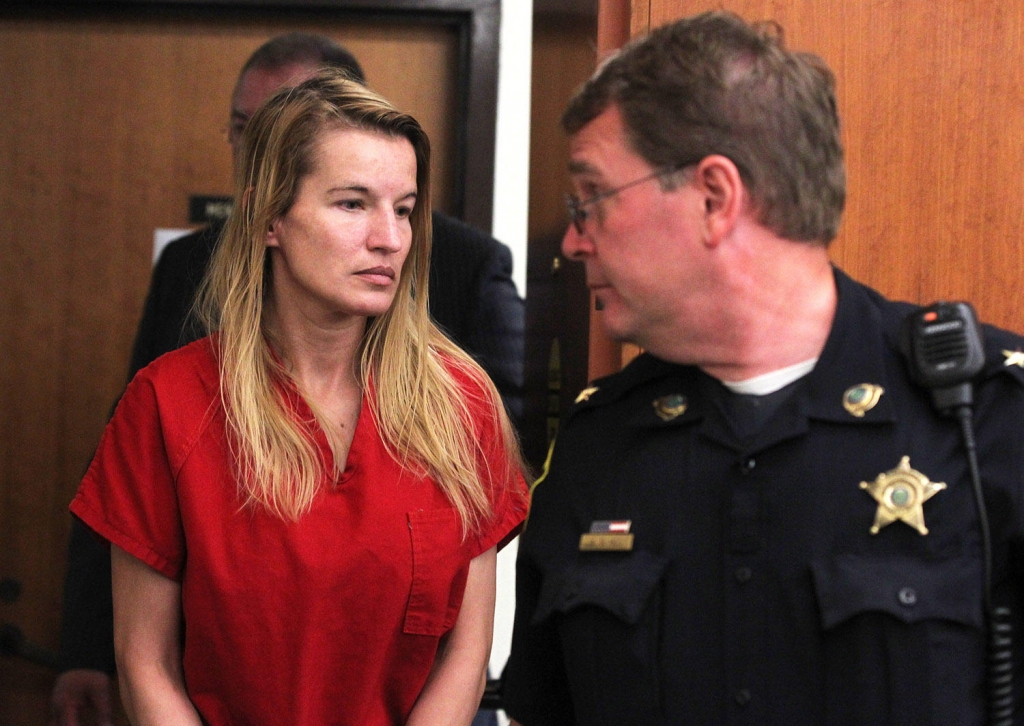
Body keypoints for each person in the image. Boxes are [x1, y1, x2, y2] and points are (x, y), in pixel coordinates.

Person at [502, 10, 1024, 725]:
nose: (571, 239)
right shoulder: (599, 443)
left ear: (714, 198)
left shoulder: (987, 416)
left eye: (592, 198)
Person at [50, 32, 522, 726]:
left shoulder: (462, 404)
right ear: (270, 216)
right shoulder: (169, 403)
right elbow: (144, 660)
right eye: (352, 204)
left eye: (404, 208)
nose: (389, 238)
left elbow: (465, 653)